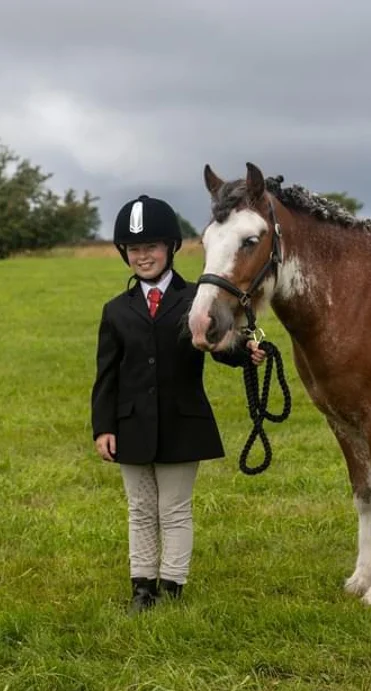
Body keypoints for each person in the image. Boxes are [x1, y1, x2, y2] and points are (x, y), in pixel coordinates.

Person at [91, 194, 265, 615]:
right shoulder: (116, 311)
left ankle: (172, 584)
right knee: (139, 510)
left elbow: (218, 345)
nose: (143, 256)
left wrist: (245, 353)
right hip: (131, 424)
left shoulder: (196, 300)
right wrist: (104, 427)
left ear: (170, 247)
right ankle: (142, 587)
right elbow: (106, 376)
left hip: (182, 422)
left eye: (151, 247)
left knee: (173, 509)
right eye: (134, 248)